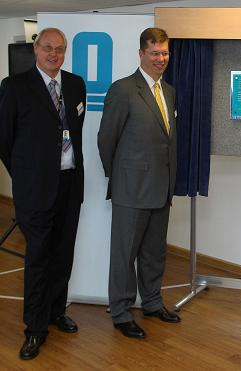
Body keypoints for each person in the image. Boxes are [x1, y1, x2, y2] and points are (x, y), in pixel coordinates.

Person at [0, 28, 86, 360]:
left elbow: (74, 132)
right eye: (48, 48)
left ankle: (54, 312)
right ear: (36, 49)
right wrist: (25, 175)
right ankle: (34, 328)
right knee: (38, 258)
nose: (54, 54)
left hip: (69, 185)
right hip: (34, 190)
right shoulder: (16, 86)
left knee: (63, 254)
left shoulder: (77, 85)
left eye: (60, 49)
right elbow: (4, 141)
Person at [97, 27, 179, 339]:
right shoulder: (123, 90)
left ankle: (153, 303)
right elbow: (106, 140)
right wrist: (119, 177)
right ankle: (120, 311)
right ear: (141, 54)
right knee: (124, 255)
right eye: (155, 53)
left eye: (165, 52)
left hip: (161, 188)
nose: (161, 58)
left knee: (154, 253)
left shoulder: (168, 91)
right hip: (130, 190)